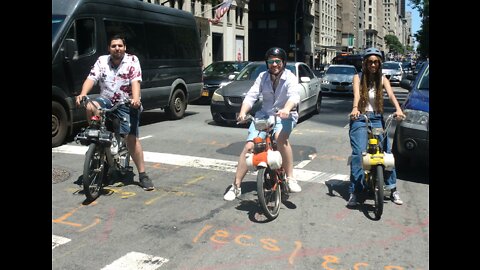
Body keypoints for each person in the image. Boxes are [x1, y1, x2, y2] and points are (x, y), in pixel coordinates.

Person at [75, 34, 154, 191]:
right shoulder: (102, 61)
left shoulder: (132, 60)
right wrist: (83, 93)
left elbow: (135, 81)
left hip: (126, 102)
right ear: (109, 48)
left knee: (131, 139)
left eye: (120, 46)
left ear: (124, 47)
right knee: (90, 106)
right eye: (113, 46)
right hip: (107, 99)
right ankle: (97, 144)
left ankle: (143, 175)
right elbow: (91, 78)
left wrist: (136, 99)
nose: (117, 48)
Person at [223, 47, 302, 201]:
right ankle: (236, 186)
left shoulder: (290, 77)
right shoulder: (262, 77)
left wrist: (286, 108)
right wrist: (243, 112)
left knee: (280, 138)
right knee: (249, 146)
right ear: (267, 63)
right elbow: (251, 96)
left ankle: (291, 178)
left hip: (285, 115)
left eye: (277, 61)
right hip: (264, 116)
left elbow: (294, 96)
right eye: (271, 61)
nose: (274, 64)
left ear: (283, 63)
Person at [347, 47, 405, 206]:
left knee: (386, 154)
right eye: (370, 62)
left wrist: (398, 109)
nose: (373, 65)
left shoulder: (383, 79)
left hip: (378, 118)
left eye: (376, 62)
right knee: (359, 153)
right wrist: (354, 109)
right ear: (365, 63)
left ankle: (392, 189)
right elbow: (357, 96)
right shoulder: (357, 78)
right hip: (361, 117)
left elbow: (392, 95)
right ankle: (355, 191)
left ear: (380, 64)